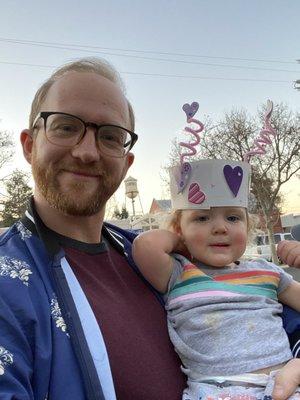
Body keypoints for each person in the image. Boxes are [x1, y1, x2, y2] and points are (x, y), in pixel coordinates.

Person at [0, 60, 299, 400]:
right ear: (28, 145)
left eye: (110, 136)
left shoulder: (156, 258)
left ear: (126, 161)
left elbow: (266, 315)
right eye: (66, 127)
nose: (86, 152)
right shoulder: (9, 284)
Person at [132, 103, 300, 400]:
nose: (220, 228)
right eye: (202, 218)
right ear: (178, 230)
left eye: (233, 218)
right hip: (212, 391)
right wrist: (185, 241)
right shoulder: (178, 272)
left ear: (247, 228)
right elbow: (145, 246)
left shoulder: (268, 272)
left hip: (283, 385)